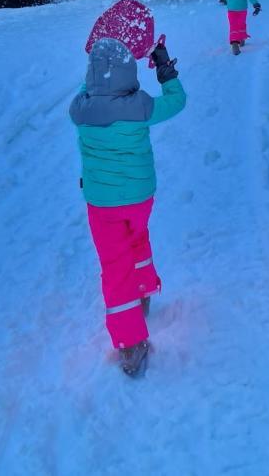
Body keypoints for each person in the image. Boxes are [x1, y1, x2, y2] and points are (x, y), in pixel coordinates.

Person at [69, 37, 186, 377]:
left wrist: (94, 72)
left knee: (114, 264)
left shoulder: (80, 110)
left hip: (102, 204)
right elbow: (177, 101)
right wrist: (164, 66)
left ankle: (130, 342)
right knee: (137, 238)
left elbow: (88, 88)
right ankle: (145, 289)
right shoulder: (141, 106)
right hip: (140, 197)